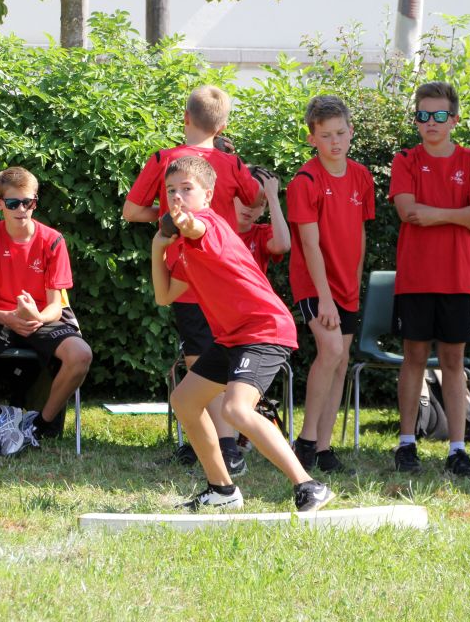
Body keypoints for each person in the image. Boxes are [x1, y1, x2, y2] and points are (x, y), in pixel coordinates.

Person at [152, 155, 332, 512]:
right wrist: (158, 247)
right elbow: (164, 295)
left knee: (235, 408)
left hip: (264, 330)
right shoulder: (184, 248)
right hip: (232, 337)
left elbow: (194, 226)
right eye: (171, 190)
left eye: (187, 189)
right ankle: (222, 490)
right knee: (184, 400)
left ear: (208, 194)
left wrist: (183, 222)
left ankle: (309, 485)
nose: (177, 196)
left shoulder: (209, 225)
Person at [124, 85, 269, 476]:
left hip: (187, 272)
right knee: (222, 354)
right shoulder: (232, 163)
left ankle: (224, 449)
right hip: (226, 277)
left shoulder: (164, 159)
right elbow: (256, 201)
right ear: (222, 127)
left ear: (186, 118)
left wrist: (166, 215)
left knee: (200, 361)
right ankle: (218, 445)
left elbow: (132, 211)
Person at [0, 167, 92, 455]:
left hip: (40, 319)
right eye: (13, 203)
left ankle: (39, 425)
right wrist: (5, 317)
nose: (22, 210)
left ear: (35, 201)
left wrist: (35, 317)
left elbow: (56, 306)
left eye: (29, 202)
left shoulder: (53, 240)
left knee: (81, 355)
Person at [389, 81, 470, 478]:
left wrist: (434, 214)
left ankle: (457, 449)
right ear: (416, 119)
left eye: (438, 115)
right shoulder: (405, 160)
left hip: (457, 279)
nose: (430, 122)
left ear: (454, 119)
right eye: (423, 115)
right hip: (415, 278)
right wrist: (457, 215)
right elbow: (407, 211)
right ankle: (406, 443)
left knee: (453, 361)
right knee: (413, 357)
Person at [286, 95, 374, 476]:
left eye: (340, 133)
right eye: (326, 135)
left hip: (346, 284)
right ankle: (305, 442)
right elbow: (309, 244)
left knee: (341, 362)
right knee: (332, 349)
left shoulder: (362, 176)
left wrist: (354, 281)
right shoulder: (304, 181)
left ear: (351, 132)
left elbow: (360, 233)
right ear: (312, 139)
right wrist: (324, 297)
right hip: (315, 284)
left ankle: (323, 447)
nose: (335, 142)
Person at [234, 165, 291, 276]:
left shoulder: (262, 234)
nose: (250, 207)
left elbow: (283, 246)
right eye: (246, 197)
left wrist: (272, 197)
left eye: (259, 203)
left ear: (263, 210)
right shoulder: (214, 229)